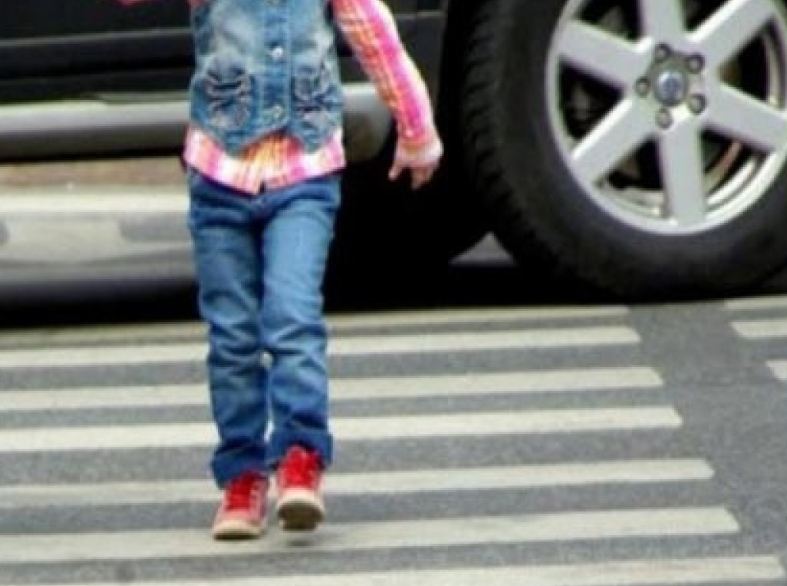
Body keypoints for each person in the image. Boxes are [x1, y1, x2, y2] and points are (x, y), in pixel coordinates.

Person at [114, 0, 442, 539]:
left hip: (304, 177)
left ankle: (300, 455)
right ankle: (242, 475)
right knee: (232, 337)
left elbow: (374, 34)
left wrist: (416, 128)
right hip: (219, 177)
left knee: (293, 317)